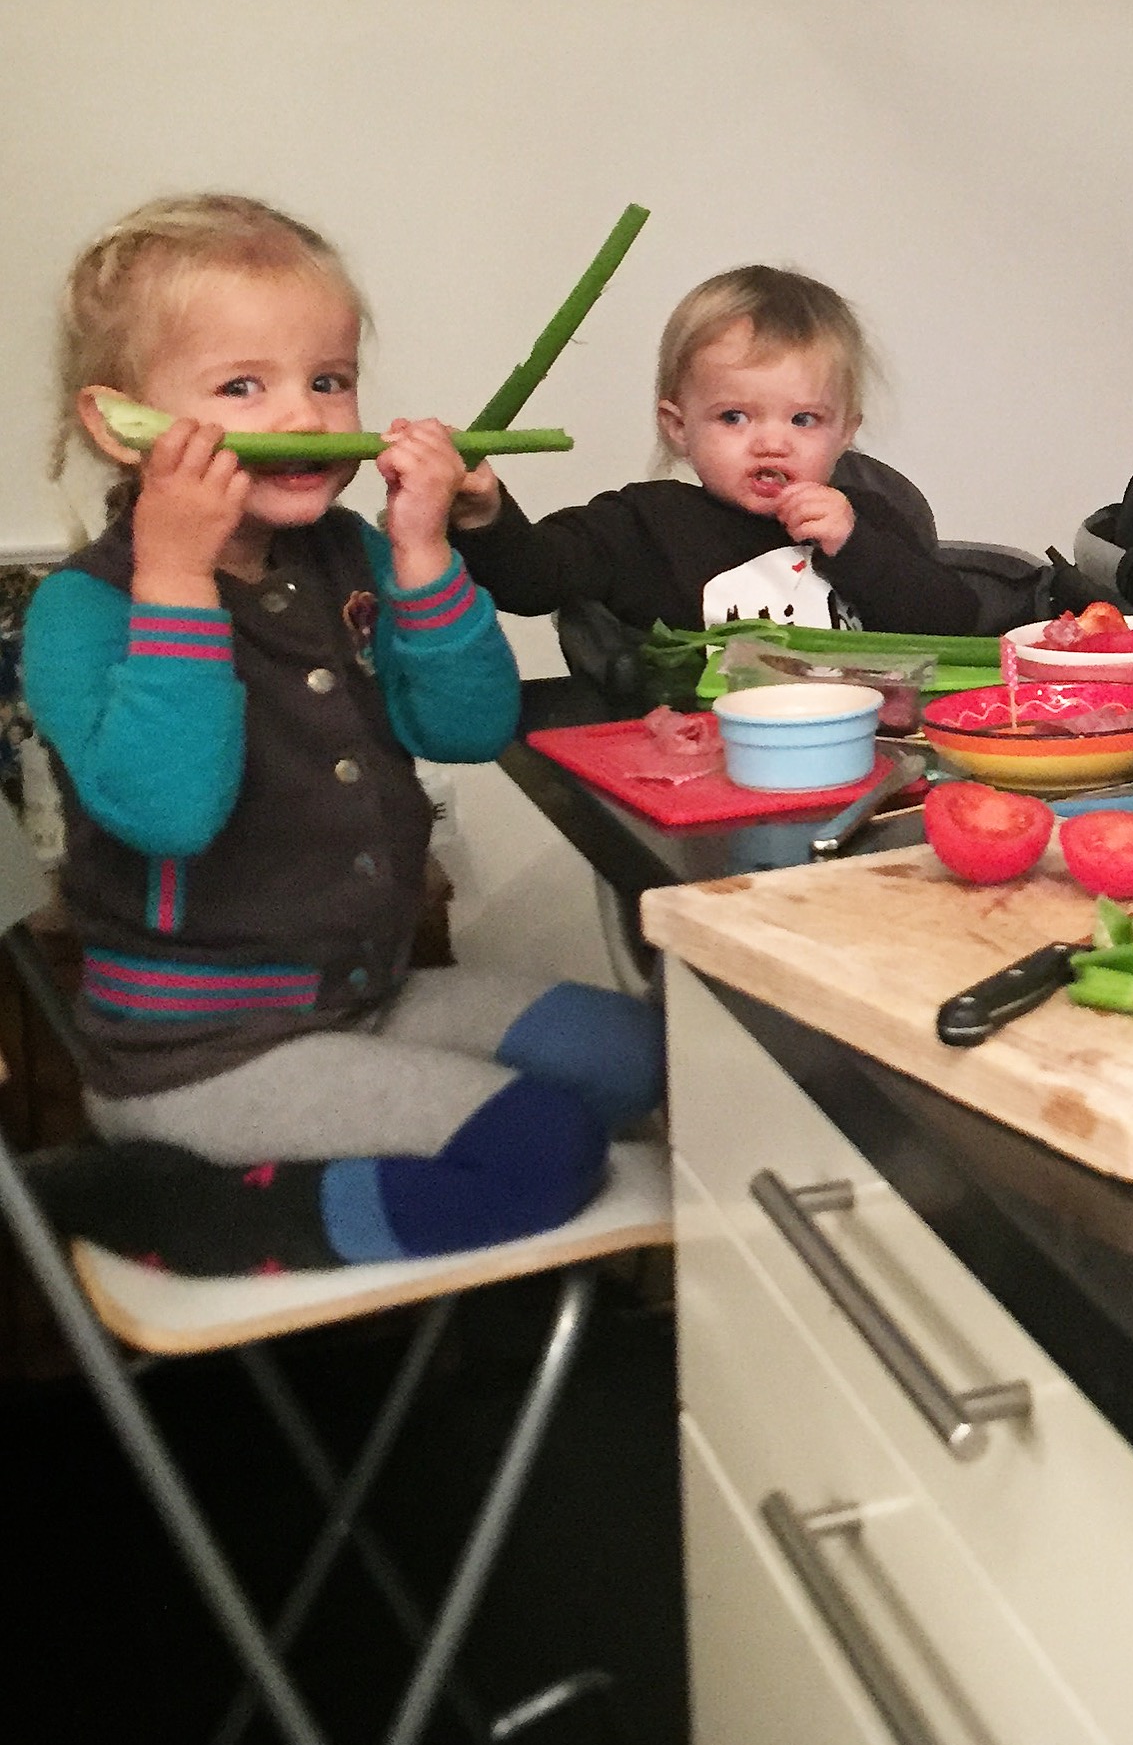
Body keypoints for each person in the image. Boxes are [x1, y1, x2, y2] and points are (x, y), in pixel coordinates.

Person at [25, 196, 660, 1275]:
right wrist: (175, 572)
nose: (308, 417)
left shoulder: (347, 554)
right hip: (202, 1054)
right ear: (119, 422)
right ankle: (181, 1208)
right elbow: (169, 812)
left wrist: (421, 554)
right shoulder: (85, 610)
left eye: (328, 380)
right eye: (243, 386)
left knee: (649, 1057)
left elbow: (470, 726)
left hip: (365, 995)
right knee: (544, 1152)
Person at [449, 263, 978, 636]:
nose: (772, 443)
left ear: (845, 431)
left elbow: (956, 623)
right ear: (678, 427)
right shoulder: (644, 525)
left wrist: (855, 545)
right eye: (733, 417)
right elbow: (529, 580)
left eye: (803, 419)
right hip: (702, 754)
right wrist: (483, 513)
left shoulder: (869, 520)